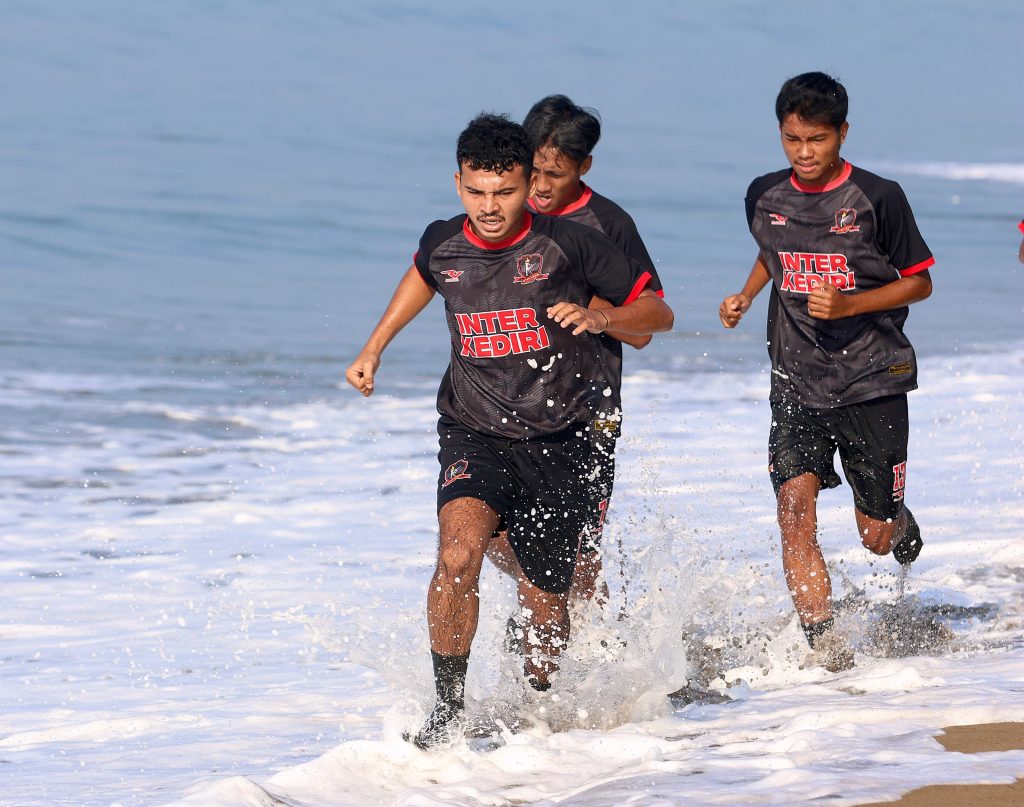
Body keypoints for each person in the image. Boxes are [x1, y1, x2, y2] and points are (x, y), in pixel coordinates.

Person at [346, 113, 673, 748]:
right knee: (457, 554)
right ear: (458, 182)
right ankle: (446, 715)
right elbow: (422, 276)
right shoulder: (444, 241)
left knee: (547, 599)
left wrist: (600, 315)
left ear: (528, 185)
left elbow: (657, 312)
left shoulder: (571, 245)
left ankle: (539, 715)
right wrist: (374, 347)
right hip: (473, 430)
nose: (489, 208)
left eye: (505, 192)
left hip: (563, 438)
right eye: (475, 191)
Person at [719, 72, 934, 672]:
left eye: (817, 139)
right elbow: (773, 250)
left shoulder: (877, 197)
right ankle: (828, 652)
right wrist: (743, 294)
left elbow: (919, 279)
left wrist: (849, 304)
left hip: (873, 378)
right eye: (792, 140)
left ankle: (894, 514)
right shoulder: (763, 194)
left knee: (876, 536)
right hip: (795, 379)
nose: (804, 153)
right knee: (794, 510)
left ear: (842, 132)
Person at [484, 94, 665, 615]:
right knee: (479, 532)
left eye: (555, 175)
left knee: (578, 561)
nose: (539, 186)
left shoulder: (607, 224)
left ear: (584, 167)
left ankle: (602, 659)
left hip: (585, 413)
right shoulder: (499, 210)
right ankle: (552, 609)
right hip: (503, 410)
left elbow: (649, 326)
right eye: (533, 170)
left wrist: (595, 310)